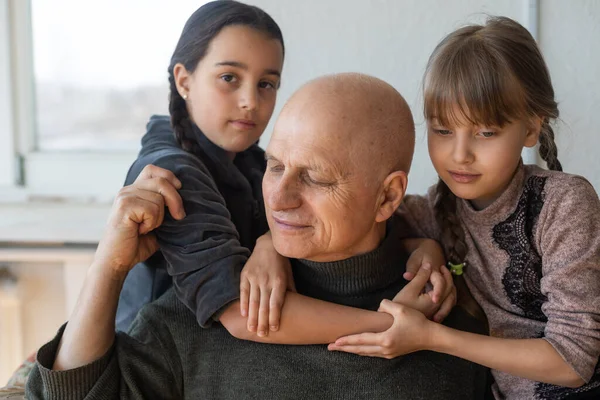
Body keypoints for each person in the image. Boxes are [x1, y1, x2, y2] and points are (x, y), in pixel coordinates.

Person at [25, 73, 488, 399]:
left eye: (316, 178)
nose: (280, 198)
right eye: (276, 166)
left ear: (388, 198)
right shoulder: (199, 316)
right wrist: (109, 265)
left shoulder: (451, 332)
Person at [117, 0, 453, 339]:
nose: (250, 100)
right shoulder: (171, 172)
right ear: (184, 80)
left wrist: (421, 247)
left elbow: (347, 215)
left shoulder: (248, 159)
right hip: (157, 361)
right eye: (229, 77)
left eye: (266, 83)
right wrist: (397, 323)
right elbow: (237, 311)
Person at [329, 17, 600, 400]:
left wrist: (432, 337)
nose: (460, 155)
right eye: (442, 130)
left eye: (485, 133)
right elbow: (351, 220)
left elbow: (574, 362)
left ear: (530, 128)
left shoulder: (564, 205)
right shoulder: (436, 210)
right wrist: (267, 249)